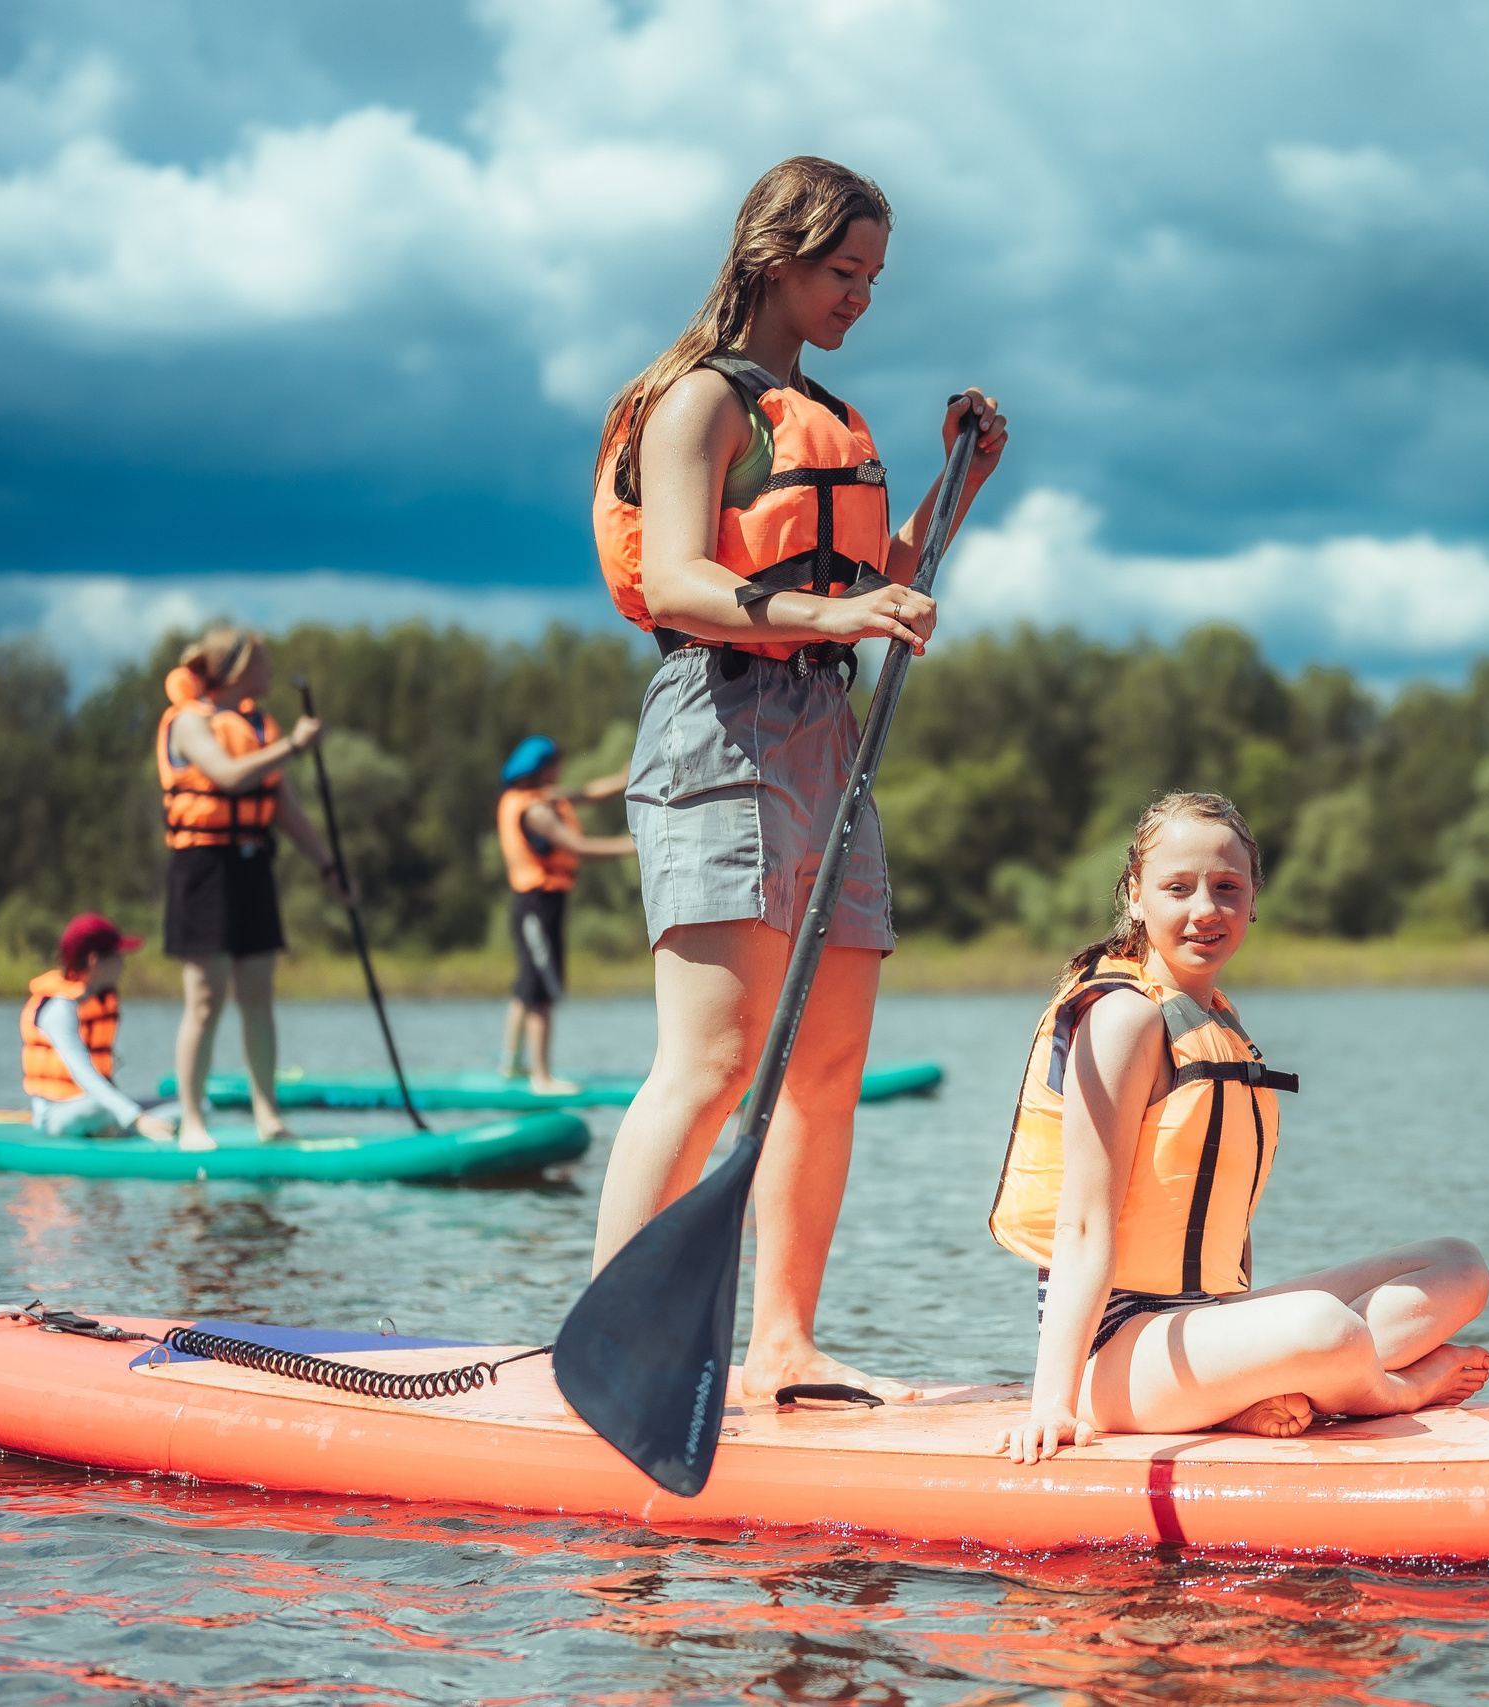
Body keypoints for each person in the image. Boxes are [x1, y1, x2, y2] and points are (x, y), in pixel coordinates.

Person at [586, 156, 1008, 1400]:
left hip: (827, 730)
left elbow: (880, 576)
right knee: (712, 1063)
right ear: (774, 257)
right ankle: (610, 1346)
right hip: (719, 721)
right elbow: (678, 581)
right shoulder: (698, 402)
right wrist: (840, 616)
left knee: (826, 1063)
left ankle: (781, 1344)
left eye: (873, 277)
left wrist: (958, 484)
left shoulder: (828, 415)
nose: (859, 297)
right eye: (841, 271)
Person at [990, 793, 1489, 1465]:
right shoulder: (1122, 1019)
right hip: (1110, 1351)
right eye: (1178, 887)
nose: (1205, 908)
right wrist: (1050, 1404)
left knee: (1458, 1266)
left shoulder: (1218, 1023)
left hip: (1204, 1323)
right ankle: (1393, 1391)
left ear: (1253, 899)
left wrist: (1247, 1342)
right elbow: (1081, 1227)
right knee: (1324, 1326)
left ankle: (1259, 1387)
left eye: (1227, 887)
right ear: (1136, 895)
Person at [156, 624, 351, 1149]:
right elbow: (226, 775)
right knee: (205, 999)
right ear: (237, 670)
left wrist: (329, 867)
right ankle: (192, 1122)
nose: (270, 671)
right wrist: (294, 745)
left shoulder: (258, 725)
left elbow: (286, 809)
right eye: (262, 662)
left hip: (252, 866)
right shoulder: (189, 722)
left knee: (258, 996)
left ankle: (269, 1117)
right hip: (203, 869)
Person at [496, 734, 634, 1093]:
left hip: (535, 903)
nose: (561, 770)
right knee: (541, 987)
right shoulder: (537, 811)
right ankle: (541, 1078)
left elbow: (589, 793)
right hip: (537, 903)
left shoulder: (533, 797)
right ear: (541, 768)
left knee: (527, 981)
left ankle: (510, 1063)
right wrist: (634, 845)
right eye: (556, 764)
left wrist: (624, 780)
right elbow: (578, 847)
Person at [19, 912, 177, 1139]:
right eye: (118, 956)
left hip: (100, 1103)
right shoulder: (59, 1009)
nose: (123, 964)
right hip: (57, 1113)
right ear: (95, 961)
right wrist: (137, 1118)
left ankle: (122, 1127)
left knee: (196, 1106)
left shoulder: (97, 1000)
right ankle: (129, 1126)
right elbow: (84, 1074)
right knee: (100, 1109)